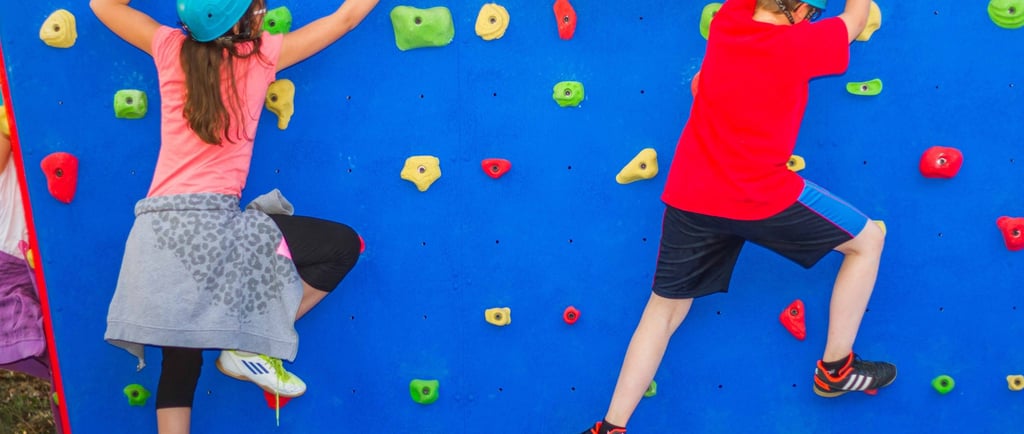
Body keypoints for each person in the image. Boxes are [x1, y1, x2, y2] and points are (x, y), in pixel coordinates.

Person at [580, 0, 892, 432]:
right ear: (799, 10)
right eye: (811, 12)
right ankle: (836, 368)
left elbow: (703, 81)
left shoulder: (729, 20)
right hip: (760, 196)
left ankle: (611, 427)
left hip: (692, 194)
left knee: (662, 312)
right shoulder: (803, 42)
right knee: (867, 241)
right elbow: (855, 18)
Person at [90, 0, 378, 432]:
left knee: (180, 361)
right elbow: (345, 17)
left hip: (156, 236)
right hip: (216, 230)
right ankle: (250, 340)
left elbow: (101, 5)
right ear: (243, 20)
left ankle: (244, 341)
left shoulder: (168, 46)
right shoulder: (260, 54)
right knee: (343, 246)